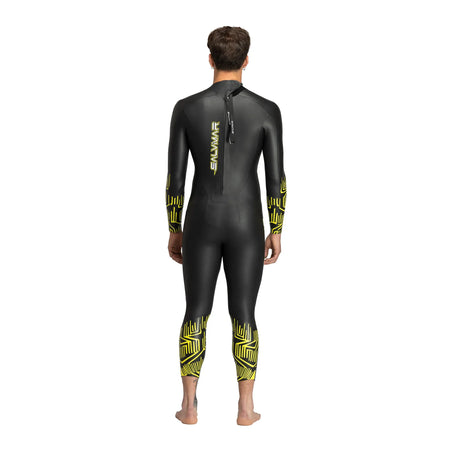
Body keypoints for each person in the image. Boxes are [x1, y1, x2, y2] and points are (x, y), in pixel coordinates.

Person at [165, 26, 287, 426]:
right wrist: (276, 228)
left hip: (200, 220)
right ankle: (246, 409)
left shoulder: (187, 108)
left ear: (210, 59)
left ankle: (188, 407)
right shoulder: (267, 110)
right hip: (246, 224)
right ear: (246, 61)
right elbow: (276, 179)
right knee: (244, 312)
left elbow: (175, 179)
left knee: (196, 310)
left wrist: (174, 227)